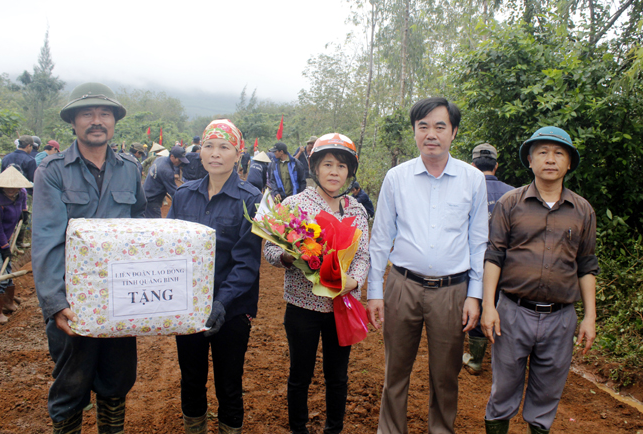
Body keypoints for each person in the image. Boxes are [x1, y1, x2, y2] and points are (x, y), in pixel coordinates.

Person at [367, 97, 489, 434]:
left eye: (439, 126)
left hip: (452, 292)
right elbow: (380, 239)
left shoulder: (472, 180)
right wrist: (374, 292)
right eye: (423, 127)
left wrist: (474, 295)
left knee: (446, 376)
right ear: (414, 132)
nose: (431, 134)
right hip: (402, 286)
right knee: (395, 373)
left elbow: (478, 242)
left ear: (454, 133)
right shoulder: (397, 178)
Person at [32, 82, 146, 434]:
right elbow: (47, 240)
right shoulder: (52, 171)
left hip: (119, 296)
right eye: (87, 114)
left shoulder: (129, 168)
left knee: (116, 380)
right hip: (73, 299)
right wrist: (55, 303)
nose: (97, 121)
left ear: (113, 122)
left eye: (104, 114)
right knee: (71, 383)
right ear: (73, 122)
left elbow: (141, 228)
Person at [481, 127, 598, 434]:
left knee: (547, 395)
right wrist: (488, 307)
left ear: (569, 163)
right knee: (503, 388)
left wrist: (590, 316)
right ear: (530, 161)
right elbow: (494, 255)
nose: (551, 159)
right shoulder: (510, 203)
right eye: (543, 152)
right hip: (512, 312)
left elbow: (587, 265)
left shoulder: (583, 210)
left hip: (560, 318)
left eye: (559, 153)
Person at [264, 133, 370, 434]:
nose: (334, 171)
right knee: (300, 373)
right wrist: (290, 256)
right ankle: (298, 429)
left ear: (349, 172)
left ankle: (333, 429)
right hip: (302, 306)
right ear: (316, 168)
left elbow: (363, 256)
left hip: (341, 306)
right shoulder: (295, 205)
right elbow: (270, 250)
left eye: (341, 166)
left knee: (338, 376)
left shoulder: (356, 210)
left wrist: (354, 281)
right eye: (327, 164)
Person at [167, 119, 261, 434]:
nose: (215, 154)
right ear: (200, 151)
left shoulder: (249, 199)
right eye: (209, 146)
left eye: (224, 147)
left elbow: (246, 260)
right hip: (189, 307)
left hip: (231, 310)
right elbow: (170, 248)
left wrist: (222, 301)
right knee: (191, 378)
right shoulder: (183, 196)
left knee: (228, 381)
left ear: (238, 154)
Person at [462, 143, 515, 375]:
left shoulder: (465, 189)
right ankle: (503, 361)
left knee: (476, 302)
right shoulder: (513, 194)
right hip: (506, 263)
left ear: (472, 165)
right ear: (496, 165)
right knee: (500, 305)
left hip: (473, 261)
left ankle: (475, 360)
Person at [0, 167, 31, 324]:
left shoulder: (21, 193)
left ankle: (9, 303)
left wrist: (24, 211)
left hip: (6, 238)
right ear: (1, 186)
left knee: (8, 274)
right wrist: (5, 247)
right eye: (7, 187)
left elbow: (23, 203)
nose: (11, 190)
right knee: (0, 277)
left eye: (14, 186)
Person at [143, 145, 189, 218]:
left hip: (146, 194)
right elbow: (174, 193)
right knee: (156, 224)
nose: (180, 162)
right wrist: (185, 205)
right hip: (152, 200)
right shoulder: (166, 171)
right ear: (172, 156)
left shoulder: (160, 159)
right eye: (179, 160)